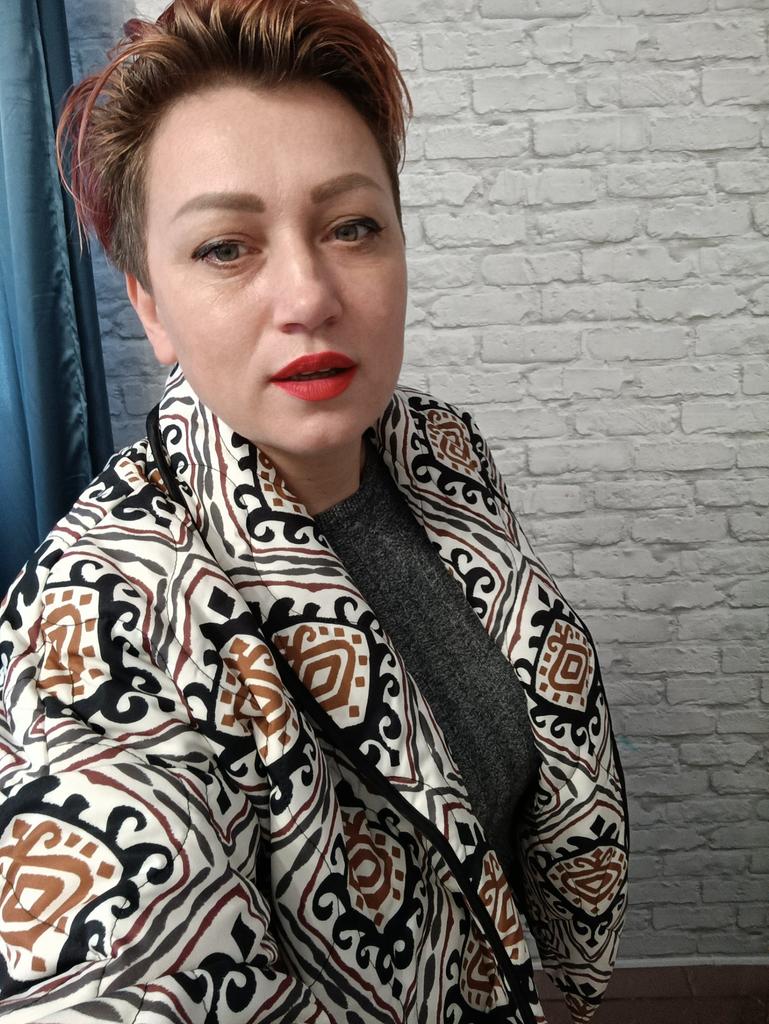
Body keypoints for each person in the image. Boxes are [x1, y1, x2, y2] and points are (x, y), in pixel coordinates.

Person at [0, 1, 628, 1021]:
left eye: (351, 227)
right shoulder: (102, 621)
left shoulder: (438, 450)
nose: (307, 296)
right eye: (225, 247)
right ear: (150, 304)